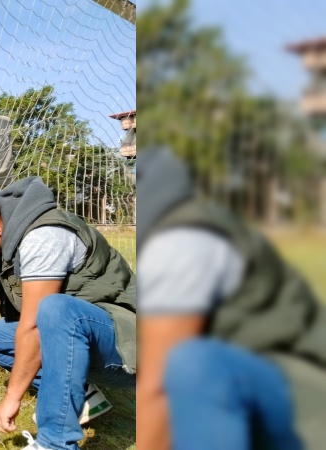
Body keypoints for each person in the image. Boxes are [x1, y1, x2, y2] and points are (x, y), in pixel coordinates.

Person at [136, 149, 325, 450]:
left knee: (191, 363)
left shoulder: (179, 240)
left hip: (305, 398)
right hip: (264, 378)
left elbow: (158, 388)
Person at [0, 177, 136, 450]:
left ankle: (55, 443)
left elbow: (33, 326)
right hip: (73, 334)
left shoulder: (42, 237)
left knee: (56, 310)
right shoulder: (0, 239)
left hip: (127, 341)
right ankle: (82, 394)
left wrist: (12, 396)